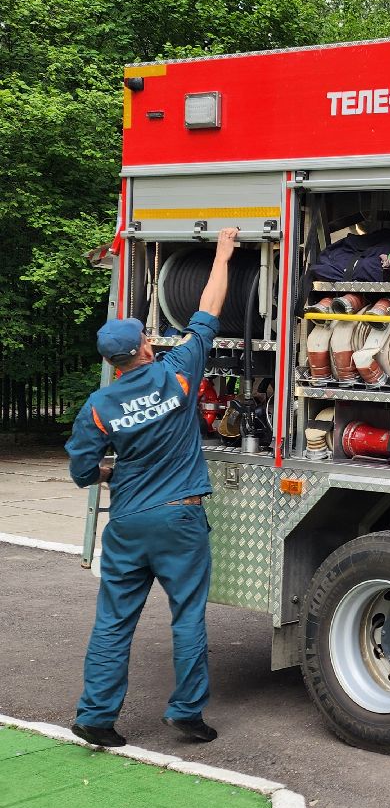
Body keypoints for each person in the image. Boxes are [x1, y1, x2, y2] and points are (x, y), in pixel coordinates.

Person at [65, 227, 239, 747]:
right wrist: (223, 253)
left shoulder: (99, 407)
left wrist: (110, 472)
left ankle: (96, 717)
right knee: (187, 617)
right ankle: (186, 712)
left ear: (111, 362)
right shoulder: (177, 374)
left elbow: (82, 470)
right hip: (180, 519)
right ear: (144, 346)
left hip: (127, 524)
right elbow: (207, 310)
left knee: (114, 621)